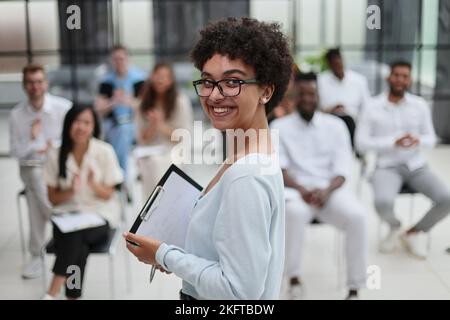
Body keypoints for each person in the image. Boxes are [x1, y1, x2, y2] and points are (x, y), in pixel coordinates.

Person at [123, 17, 292, 300]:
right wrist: (185, 253)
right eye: (208, 82)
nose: (214, 95)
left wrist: (164, 254)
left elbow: (239, 292)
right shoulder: (250, 152)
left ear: (266, 90)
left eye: (232, 82)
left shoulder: (246, 174)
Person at [271, 72, 367, 300]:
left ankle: (354, 288)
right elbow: (278, 168)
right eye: (302, 94)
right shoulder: (279, 126)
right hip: (296, 193)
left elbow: (343, 168)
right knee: (292, 214)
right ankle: (293, 279)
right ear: (293, 96)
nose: (307, 98)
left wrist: (326, 191)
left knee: (358, 217)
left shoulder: (336, 126)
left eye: (311, 94)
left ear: (318, 96)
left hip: (330, 192)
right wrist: (303, 189)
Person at [356, 60, 450, 259]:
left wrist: (418, 140)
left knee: (446, 198)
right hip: (386, 166)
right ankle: (394, 226)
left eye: (405, 76)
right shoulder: (372, 106)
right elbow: (361, 143)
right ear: (388, 77)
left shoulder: (419, 105)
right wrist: (392, 142)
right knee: (382, 202)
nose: (400, 79)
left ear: (410, 80)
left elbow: (431, 139)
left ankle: (413, 232)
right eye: (396, 75)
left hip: (416, 165)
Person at [42, 105, 123, 299]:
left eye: (86, 123)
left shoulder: (104, 151)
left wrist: (94, 185)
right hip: (66, 216)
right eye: (77, 121)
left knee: (73, 237)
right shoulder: (56, 154)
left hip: (99, 216)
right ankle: (72, 296)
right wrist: (71, 191)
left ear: (93, 126)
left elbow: (109, 195)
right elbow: (53, 199)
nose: (81, 127)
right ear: (68, 124)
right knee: (78, 244)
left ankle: (52, 293)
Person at [9, 63, 71, 279]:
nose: (35, 86)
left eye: (39, 81)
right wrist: (34, 141)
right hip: (32, 168)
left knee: (35, 199)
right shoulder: (17, 115)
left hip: (58, 168)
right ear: (24, 86)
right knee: (35, 178)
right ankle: (58, 219)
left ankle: (37, 253)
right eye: (30, 83)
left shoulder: (63, 108)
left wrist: (52, 146)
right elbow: (16, 152)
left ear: (46, 83)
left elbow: (75, 140)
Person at [136, 61, 193, 198]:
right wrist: (153, 125)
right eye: (157, 75)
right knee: (150, 162)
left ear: (171, 80)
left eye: (165, 76)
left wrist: (160, 125)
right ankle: (151, 208)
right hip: (150, 149)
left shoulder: (180, 101)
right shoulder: (143, 102)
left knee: (159, 164)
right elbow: (141, 138)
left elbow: (183, 136)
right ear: (152, 77)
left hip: (174, 150)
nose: (160, 79)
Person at [94, 45, 145, 192]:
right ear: (111, 61)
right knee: (120, 133)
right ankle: (123, 178)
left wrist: (128, 101)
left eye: (121, 58)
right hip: (113, 125)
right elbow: (99, 109)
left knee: (123, 133)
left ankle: (119, 175)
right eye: (115, 59)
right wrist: (114, 102)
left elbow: (145, 107)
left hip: (134, 124)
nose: (119, 62)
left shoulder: (139, 79)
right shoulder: (107, 82)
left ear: (128, 59)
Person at [318, 48, 370, 150]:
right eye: (333, 64)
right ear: (329, 64)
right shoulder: (321, 80)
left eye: (338, 62)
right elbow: (318, 109)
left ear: (342, 60)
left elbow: (367, 107)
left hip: (354, 123)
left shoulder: (359, 80)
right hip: (330, 122)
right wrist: (331, 109)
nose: (337, 66)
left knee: (349, 120)